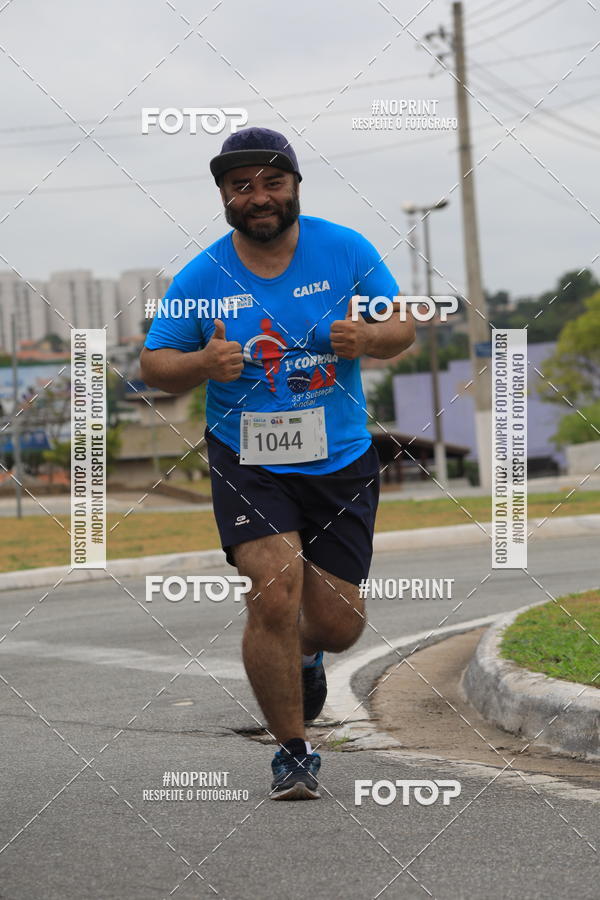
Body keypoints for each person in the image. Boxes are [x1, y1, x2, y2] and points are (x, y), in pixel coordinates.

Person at [140, 127, 415, 800]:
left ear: (294, 186)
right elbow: (153, 365)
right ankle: (293, 752)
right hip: (248, 455)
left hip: (341, 455)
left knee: (338, 624)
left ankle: (310, 651)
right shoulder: (202, 277)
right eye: (242, 187)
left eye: (271, 182)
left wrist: (370, 337)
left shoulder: (344, 249)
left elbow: (404, 326)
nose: (257, 197)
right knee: (271, 588)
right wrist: (203, 363)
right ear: (226, 197)